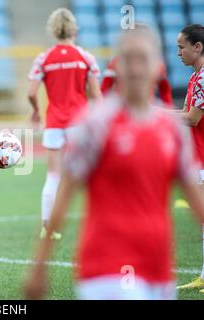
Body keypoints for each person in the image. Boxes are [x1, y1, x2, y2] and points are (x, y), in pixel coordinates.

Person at [23, 26, 204, 300]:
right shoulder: (95, 124)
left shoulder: (172, 131)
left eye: (142, 59)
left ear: (157, 67)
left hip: (158, 268)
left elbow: (196, 201)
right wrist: (39, 265)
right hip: (105, 266)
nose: (134, 68)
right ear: (117, 67)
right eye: (127, 59)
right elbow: (65, 193)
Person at [27, 8, 102, 239]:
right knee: (91, 173)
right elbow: (97, 96)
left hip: (55, 124)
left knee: (53, 175)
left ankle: (47, 228)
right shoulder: (85, 57)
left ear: (53, 30)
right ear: (74, 29)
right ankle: (100, 225)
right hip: (80, 123)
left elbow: (31, 92)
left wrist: (36, 111)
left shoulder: (44, 58)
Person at [174, 24, 204, 295]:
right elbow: (183, 114)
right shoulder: (195, 78)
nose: (178, 52)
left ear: (198, 47)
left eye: (182, 46)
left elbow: (192, 119)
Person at [101, 56, 174, 107]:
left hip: (148, 108)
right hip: (122, 108)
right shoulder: (115, 63)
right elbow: (104, 91)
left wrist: (168, 108)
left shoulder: (156, 63)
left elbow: (164, 88)